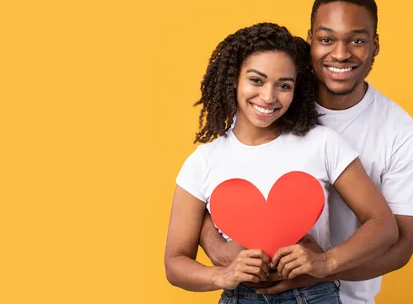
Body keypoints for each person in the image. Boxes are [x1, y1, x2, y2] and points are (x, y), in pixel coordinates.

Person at [199, 0, 413, 304]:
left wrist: (322, 269)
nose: (340, 53)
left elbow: (401, 245)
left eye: (357, 40)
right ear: (309, 41)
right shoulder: (272, 102)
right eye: (326, 39)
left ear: (374, 46)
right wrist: (217, 248)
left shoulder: (401, 133)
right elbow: (218, 179)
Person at [164, 22, 399, 303]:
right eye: (256, 80)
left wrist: (326, 263)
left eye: (283, 85)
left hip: (313, 295)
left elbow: (383, 225)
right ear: (234, 80)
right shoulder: (203, 161)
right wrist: (221, 276)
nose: (268, 97)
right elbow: (175, 262)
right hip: (240, 297)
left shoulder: (322, 143)